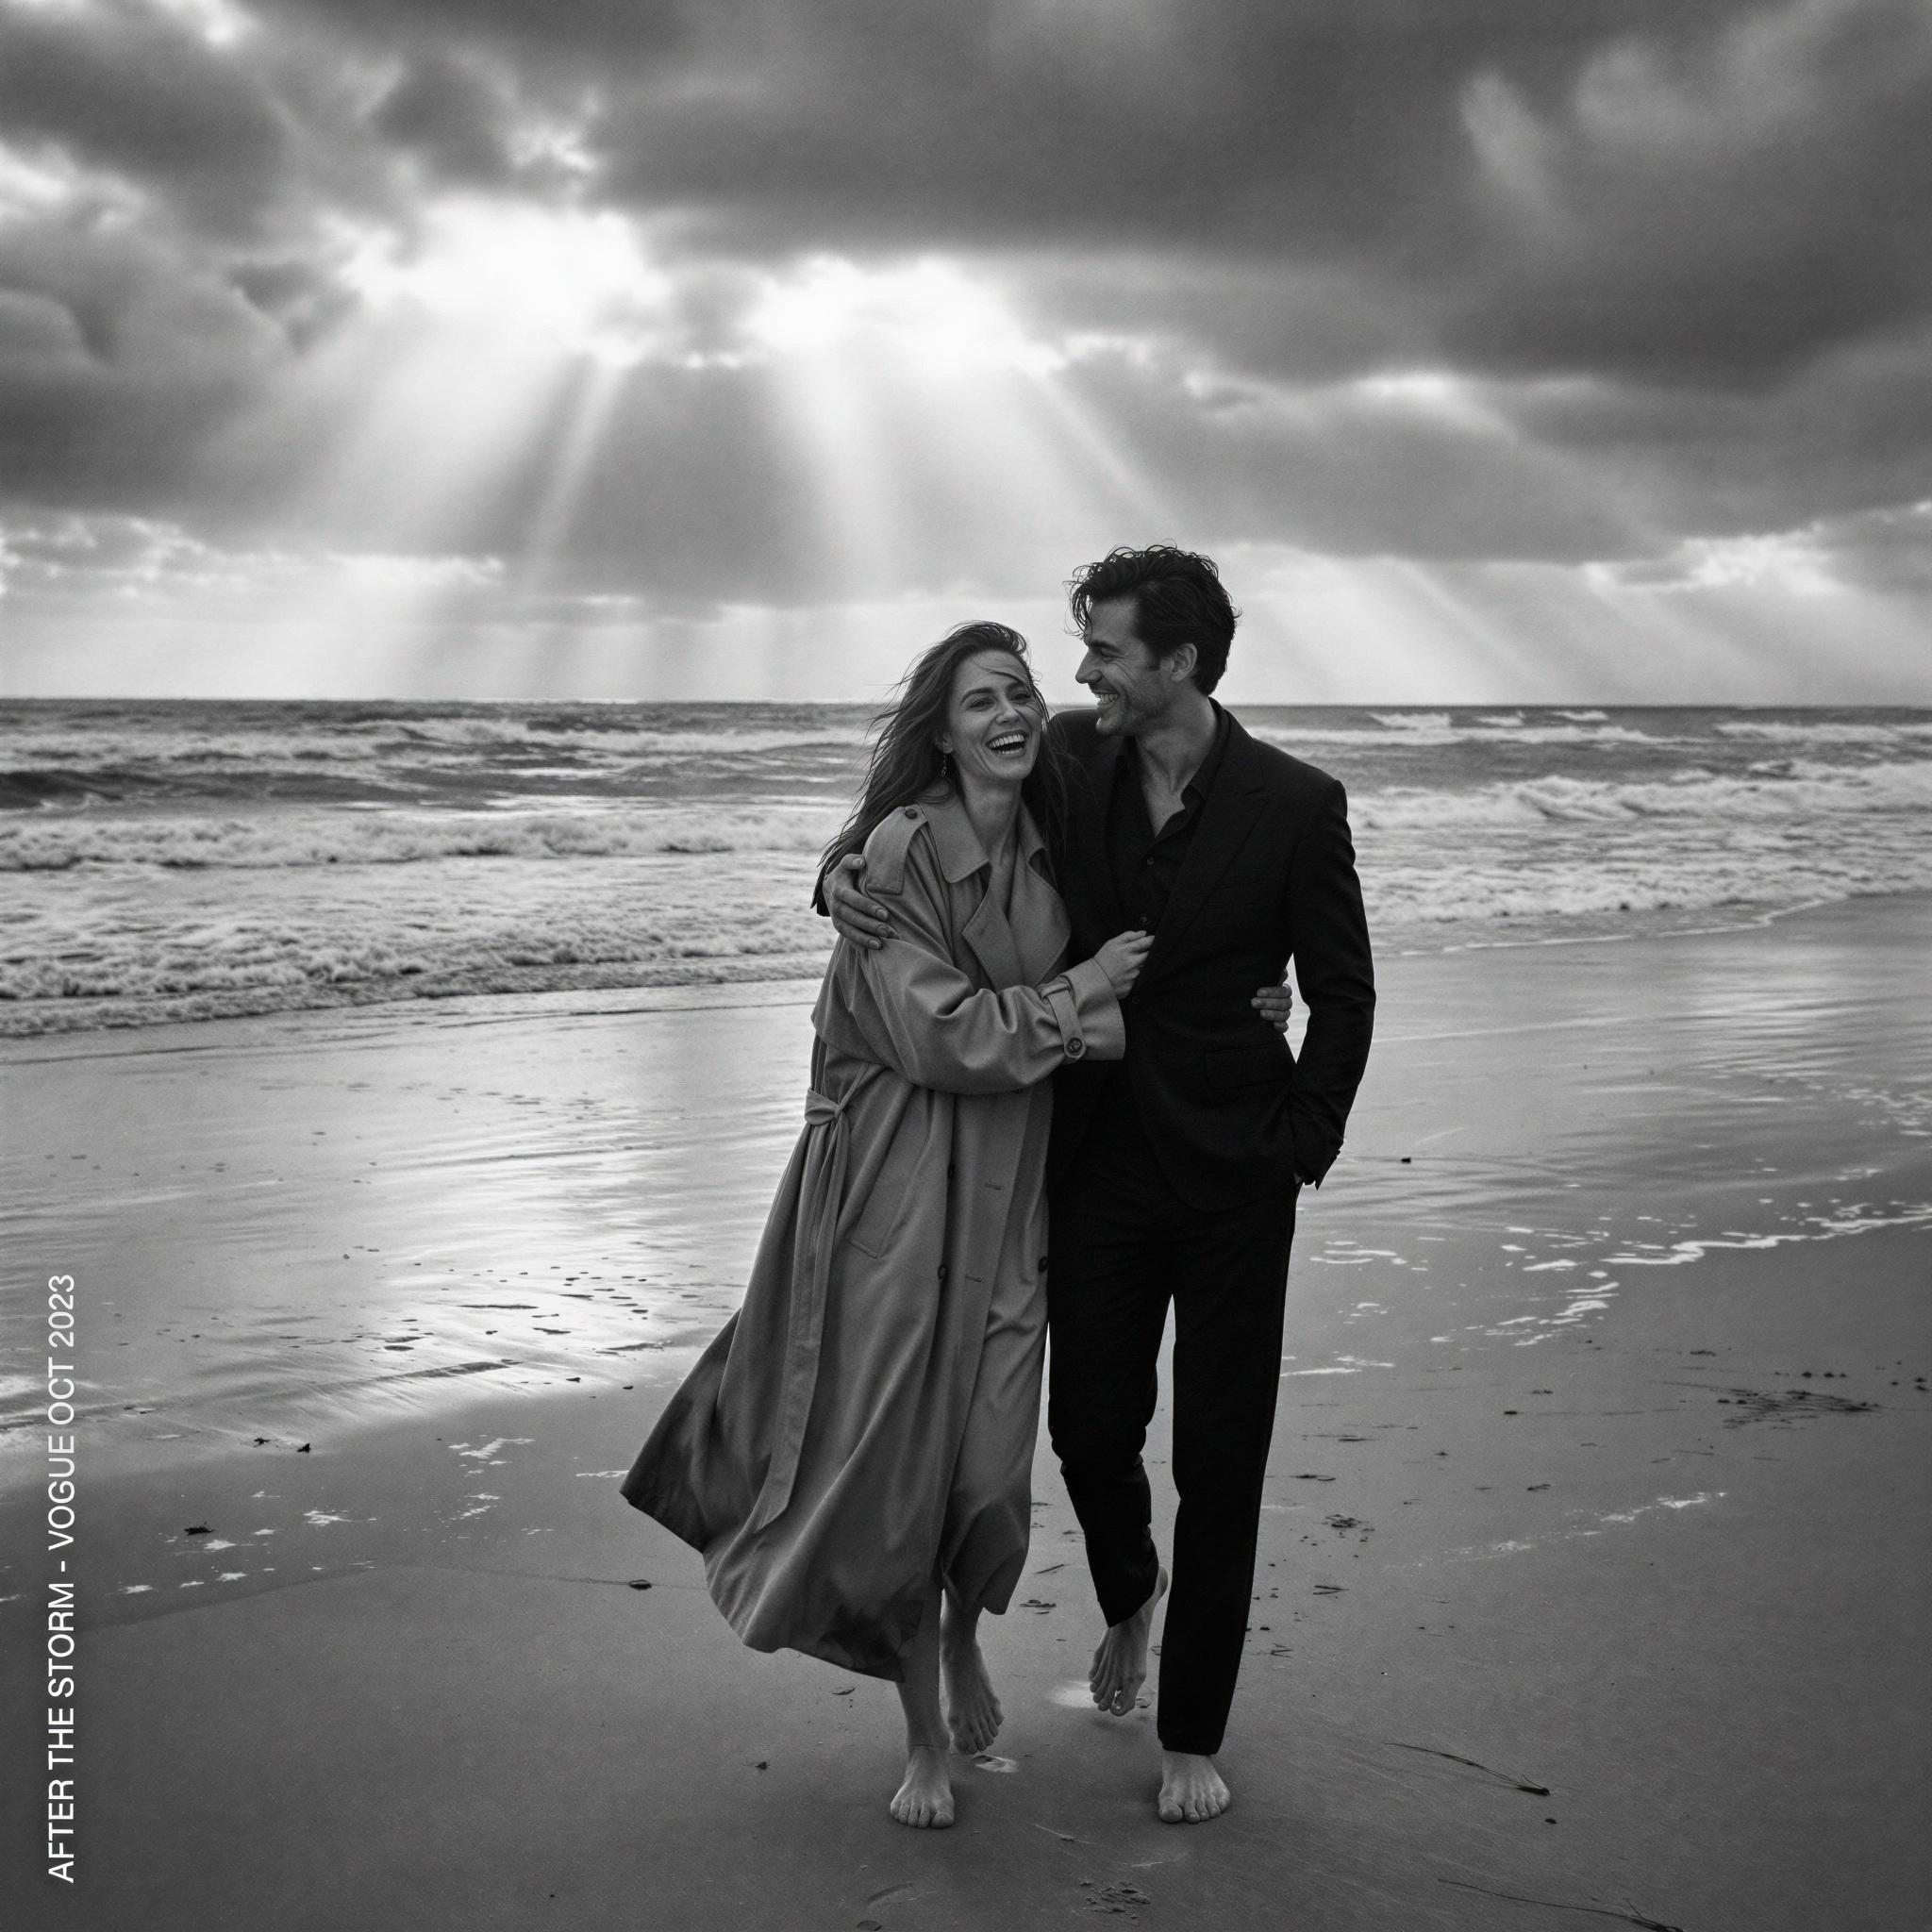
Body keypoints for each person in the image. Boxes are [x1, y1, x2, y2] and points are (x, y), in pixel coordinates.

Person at [825, 545, 1376, 1824]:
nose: (1080, 676)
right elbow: (922, 814)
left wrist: (1303, 1134)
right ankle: (1132, 1585)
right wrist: (840, 881)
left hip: (1241, 1174)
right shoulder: (1071, 757)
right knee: (1087, 1428)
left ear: (1177, 662)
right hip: (1098, 1162)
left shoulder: (1296, 803)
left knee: (1224, 1458)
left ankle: (1192, 1731)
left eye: (1108, 653)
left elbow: (1343, 993)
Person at [622, 621, 1154, 1830]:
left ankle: (964, 1627)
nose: (1011, 713)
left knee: (988, 1472)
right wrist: (1085, 997)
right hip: (894, 1194)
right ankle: (921, 1733)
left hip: (1011, 1192)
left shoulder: (1057, 821)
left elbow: (1169, 865)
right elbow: (940, 1036)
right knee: (899, 1480)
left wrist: (1237, 995)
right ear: (939, 727)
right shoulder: (900, 850)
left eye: (1021, 692)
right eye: (980, 700)